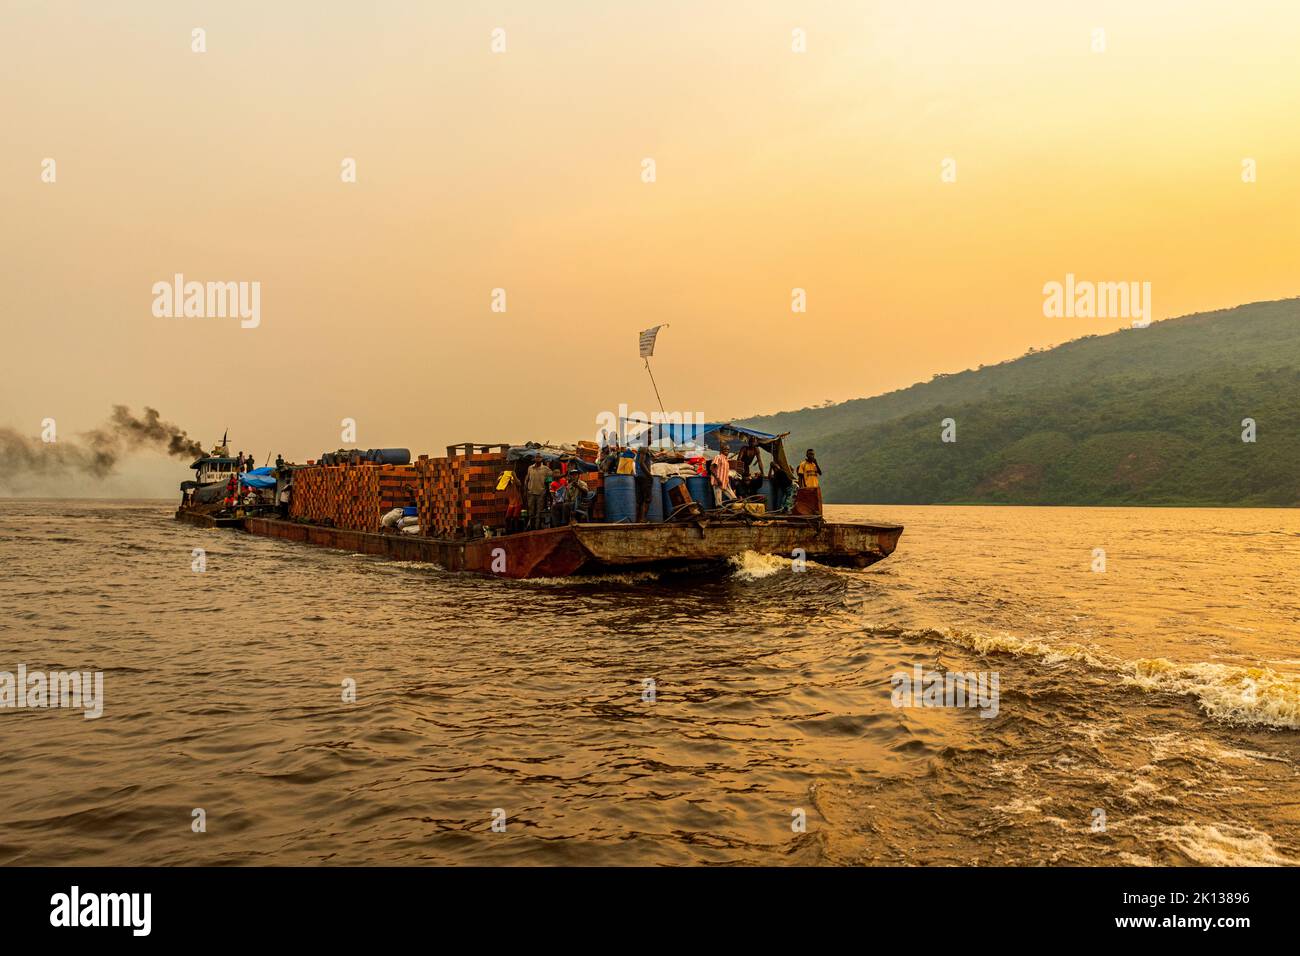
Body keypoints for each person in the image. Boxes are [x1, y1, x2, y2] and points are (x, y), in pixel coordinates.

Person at [525, 457, 552, 530]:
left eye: (539, 457)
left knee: (538, 513)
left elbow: (550, 479)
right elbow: (527, 479)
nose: (538, 458)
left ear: (542, 459)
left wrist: (547, 492)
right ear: (534, 459)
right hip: (531, 493)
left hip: (541, 494)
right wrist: (526, 490)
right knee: (531, 513)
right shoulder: (530, 468)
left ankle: (537, 529)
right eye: (537, 457)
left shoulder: (546, 469)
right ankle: (532, 528)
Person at [634, 445, 655, 522]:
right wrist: (649, 475)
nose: (651, 439)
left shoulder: (643, 449)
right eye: (649, 437)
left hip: (639, 476)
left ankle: (637, 520)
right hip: (644, 477)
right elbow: (641, 463)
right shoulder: (644, 448)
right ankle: (643, 519)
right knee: (647, 499)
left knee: (639, 500)